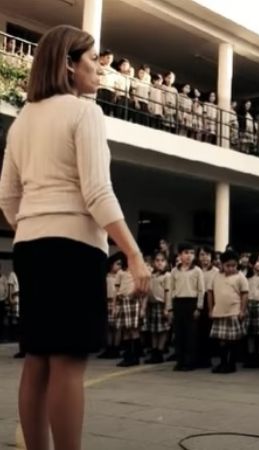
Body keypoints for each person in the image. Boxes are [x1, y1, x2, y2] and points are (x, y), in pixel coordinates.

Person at [0, 25, 149, 450]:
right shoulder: (85, 112)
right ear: (69, 63)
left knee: (37, 358)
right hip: (73, 248)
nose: (100, 68)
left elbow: (7, 197)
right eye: (93, 60)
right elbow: (98, 193)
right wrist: (134, 254)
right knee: (68, 361)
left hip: (30, 245)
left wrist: (34, 224)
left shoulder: (23, 119)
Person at [169, 243, 205, 371]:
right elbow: (171, 290)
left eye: (191, 253)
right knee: (179, 334)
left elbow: (201, 290)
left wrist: (199, 307)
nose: (189, 256)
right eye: (185, 253)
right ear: (179, 255)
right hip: (178, 303)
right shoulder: (174, 271)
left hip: (192, 303)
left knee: (191, 335)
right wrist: (170, 308)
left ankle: (190, 362)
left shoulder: (197, 271)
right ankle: (180, 361)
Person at [144, 251, 171, 364]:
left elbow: (168, 292)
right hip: (152, 304)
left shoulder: (167, 276)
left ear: (166, 262)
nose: (159, 263)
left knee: (162, 330)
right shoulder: (152, 275)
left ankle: (160, 351)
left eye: (162, 260)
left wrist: (167, 307)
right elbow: (147, 291)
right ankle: (154, 350)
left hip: (162, 305)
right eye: (157, 260)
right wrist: (144, 306)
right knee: (153, 329)